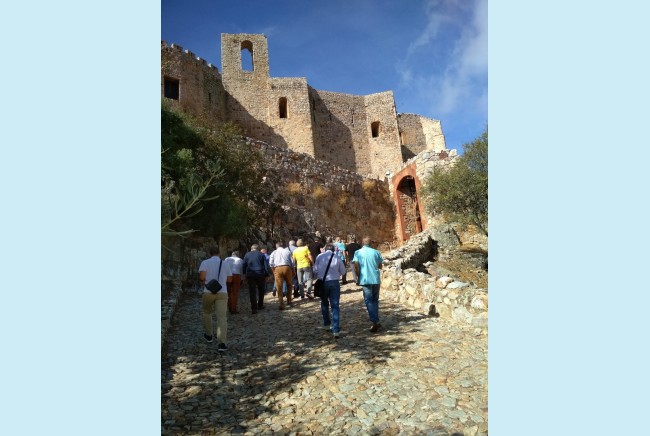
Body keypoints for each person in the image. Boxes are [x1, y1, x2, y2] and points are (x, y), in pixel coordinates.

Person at [198, 246, 232, 352]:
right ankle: (222, 343)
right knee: (222, 317)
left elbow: (202, 277)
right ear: (219, 253)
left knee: (207, 313)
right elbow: (230, 280)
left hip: (208, 292)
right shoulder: (225, 263)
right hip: (222, 292)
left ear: (210, 253)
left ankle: (209, 335)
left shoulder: (205, 263)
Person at [314, 243, 346, 338]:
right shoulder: (337, 257)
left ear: (325, 249)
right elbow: (343, 271)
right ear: (333, 250)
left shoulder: (319, 257)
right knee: (335, 305)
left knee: (324, 303)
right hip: (334, 282)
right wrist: (337, 274)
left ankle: (327, 324)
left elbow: (315, 270)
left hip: (323, 283)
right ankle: (336, 329)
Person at [352, 236, 383, 333]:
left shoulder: (358, 253)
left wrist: (358, 275)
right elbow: (380, 266)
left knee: (368, 300)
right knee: (375, 300)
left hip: (365, 279)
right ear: (371, 243)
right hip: (375, 279)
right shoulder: (376, 252)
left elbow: (356, 265)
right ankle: (376, 320)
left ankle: (374, 320)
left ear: (362, 243)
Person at [243, 244, 269, 314]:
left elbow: (244, 265)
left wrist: (244, 275)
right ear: (258, 249)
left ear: (251, 248)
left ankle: (254, 308)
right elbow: (265, 266)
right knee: (261, 290)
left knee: (252, 291)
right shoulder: (261, 255)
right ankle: (260, 305)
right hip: (260, 274)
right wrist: (267, 275)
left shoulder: (247, 255)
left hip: (250, 274)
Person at [269, 241, 295, 310]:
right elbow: (292, 262)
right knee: (289, 284)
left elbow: (271, 263)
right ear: (282, 246)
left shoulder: (274, 252)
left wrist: (274, 271)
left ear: (276, 246)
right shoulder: (287, 251)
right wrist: (293, 270)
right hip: (287, 267)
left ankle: (281, 303)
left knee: (279, 287)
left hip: (277, 268)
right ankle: (289, 301)